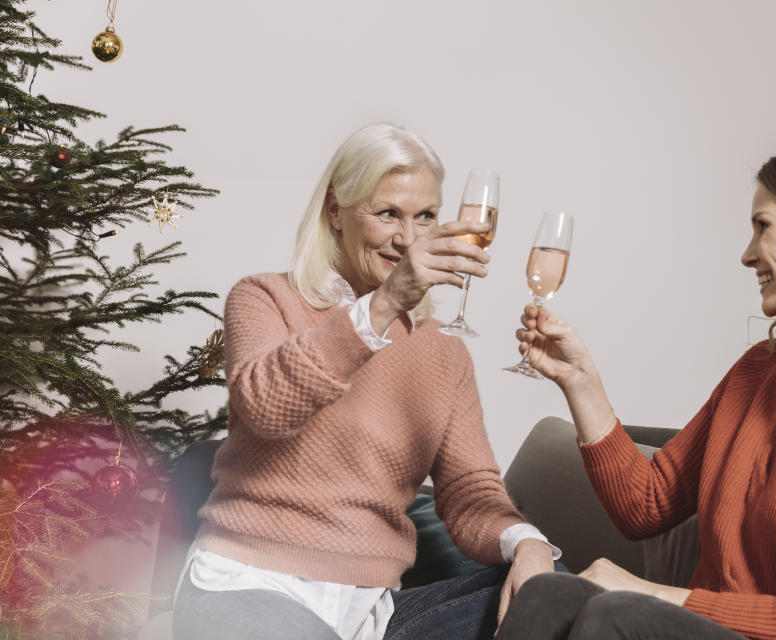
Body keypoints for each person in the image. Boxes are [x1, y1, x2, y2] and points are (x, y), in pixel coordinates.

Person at [497, 136, 776, 640]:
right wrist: (578, 379)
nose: (747, 254)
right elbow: (645, 504)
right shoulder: (760, 371)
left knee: (614, 614)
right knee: (546, 594)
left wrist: (645, 592)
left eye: (763, 227)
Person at [171, 122, 557, 640]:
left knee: (559, 598)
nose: (408, 237)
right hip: (247, 586)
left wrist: (529, 544)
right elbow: (265, 405)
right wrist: (385, 304)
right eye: (387, 214)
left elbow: (470, 491)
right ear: (335, 210)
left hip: (374, 614)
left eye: (425, 216)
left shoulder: (444, 351)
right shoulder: (263, 298)